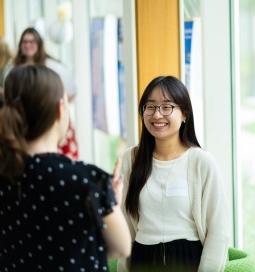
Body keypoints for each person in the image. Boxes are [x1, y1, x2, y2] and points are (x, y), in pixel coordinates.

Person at [0, 65, 131, 271]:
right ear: (60, 109)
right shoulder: (86, 180)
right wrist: (108, 200)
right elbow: (121, 247)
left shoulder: (6, 174)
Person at [119, 76, 230, 272]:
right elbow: (125, 223)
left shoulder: (201, 162)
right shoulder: (131, 159)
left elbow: (217, 230)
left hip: (187, 259)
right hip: (142, 259)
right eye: (150, 106)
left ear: (184, 114)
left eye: (167, 107)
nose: (157, 115)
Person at [14, 27, 79, 160]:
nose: (28, 45)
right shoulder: (15, 68)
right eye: (25, 42)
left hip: (52, 117)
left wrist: (56, 106)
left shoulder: (52, 66)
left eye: (32, 42)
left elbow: (72, 91)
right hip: (27, 120)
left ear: (39, 44)